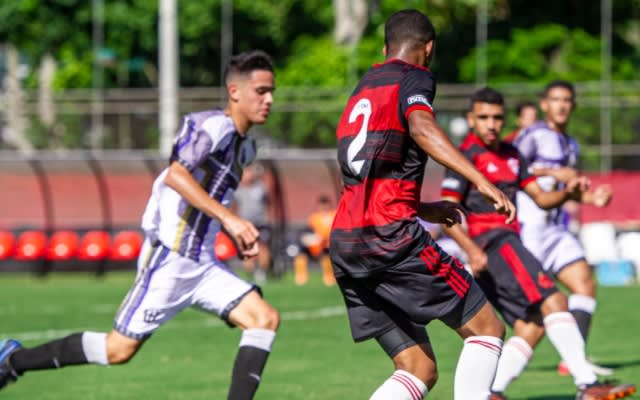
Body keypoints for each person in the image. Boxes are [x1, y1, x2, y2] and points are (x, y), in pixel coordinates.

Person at [0, 50, 280, 400]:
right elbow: (177, 175)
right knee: (117, 350)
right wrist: (231, 219)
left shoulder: (246, 148)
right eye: (261, 91)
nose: (268, 100)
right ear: (234, 91)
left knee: (264, 319)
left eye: (271, 92)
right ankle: (13, 359)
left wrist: (234, 231)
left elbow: (208, 197)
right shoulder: (212, 125)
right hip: (170, 260)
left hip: (205, 264)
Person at [330, 9, 518, 400]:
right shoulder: (414, 77)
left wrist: (423, 207)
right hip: (390, 238)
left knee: (418, 368)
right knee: (488, 330)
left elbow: (368, 169)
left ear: (385, 48)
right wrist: (479, 178)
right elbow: (421, 127)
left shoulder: (363, 88)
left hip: (347, 241)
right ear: (428, 48)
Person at [440, 87, 635, 400]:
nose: (491, 124)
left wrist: (570, 194)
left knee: (532, 325)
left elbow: (542, 198)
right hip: (493, 244)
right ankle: (587, 385)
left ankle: (492, 392)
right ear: (471, 120)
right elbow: (445, 211)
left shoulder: (512, 155)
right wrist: (472, 249)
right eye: (484, 117)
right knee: (555, 301)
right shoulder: (465, 158)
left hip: (507, 244)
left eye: (497, 118)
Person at [513, 80, 614, 377]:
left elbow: (568, 189)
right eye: (555, 99)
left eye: (567, 100)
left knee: (585, 285)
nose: (561, 105)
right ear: (545, 104)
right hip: (528, 229)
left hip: (555, 231)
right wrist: (552, 171)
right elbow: (510, 168)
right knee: (533, 318)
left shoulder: (572, 145)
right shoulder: (532, 136)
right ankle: (493, 375)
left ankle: (576, 362)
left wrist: (593, 197)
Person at [234, 162, 272, 283]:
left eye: (250, 171)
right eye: (247, 172)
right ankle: (250, 272)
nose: (249, 174)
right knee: (247, 248)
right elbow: (234, 206)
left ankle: (262, 272)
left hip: (261, 222)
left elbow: (268, 202)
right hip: (246, 223)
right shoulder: (238, 189)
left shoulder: (260, 187)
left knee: (263, 247)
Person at [293, 194, 337, 286]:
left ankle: (329, 277)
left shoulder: (334, 215)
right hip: (315, 246)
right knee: (301, 252)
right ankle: (301, 277)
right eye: (322, 204)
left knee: (327, 253)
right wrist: (311, 238)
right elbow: (308, 233)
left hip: (328, 245)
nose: (324, 207)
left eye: (325, 204)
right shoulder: (314, 218)